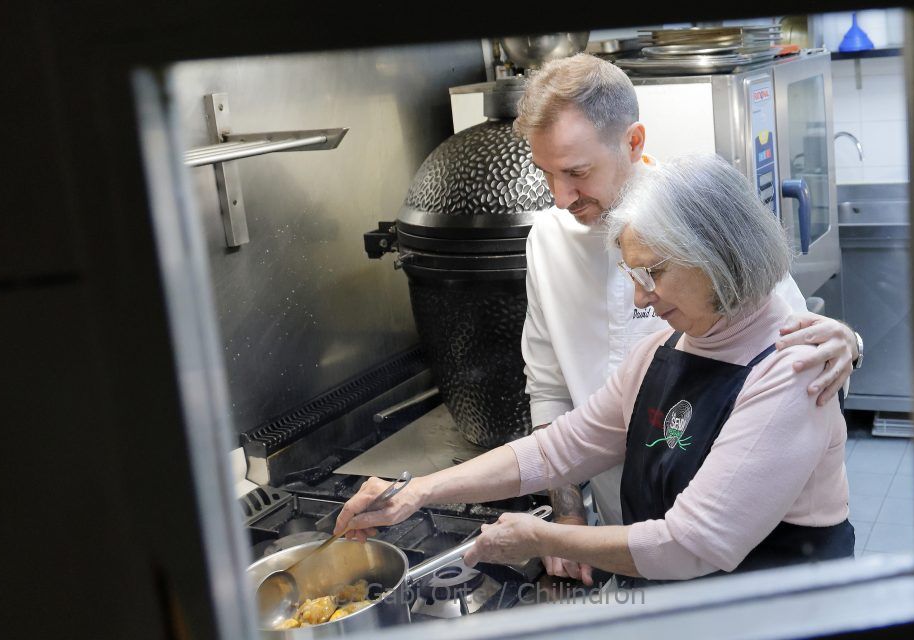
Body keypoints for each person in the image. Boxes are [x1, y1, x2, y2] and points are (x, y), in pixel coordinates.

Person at [335, 153, 853, 583]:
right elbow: (559, 448)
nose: (641, 298)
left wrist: (540, 537)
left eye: (652, 273)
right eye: (633, 275)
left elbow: (690, 545)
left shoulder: (794, 370)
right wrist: (419, 491)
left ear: (717, 255)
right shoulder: (662, 351)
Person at [512, 54, 861, 583]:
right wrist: (567, 513)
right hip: (621, 528)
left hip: (740, 542)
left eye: (577, 173)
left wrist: (850, 343)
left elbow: (798, 348)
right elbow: (549, 391)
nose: (560, 198)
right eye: (547, 174)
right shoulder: (546, 240)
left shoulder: (698, 218)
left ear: (633, 141)